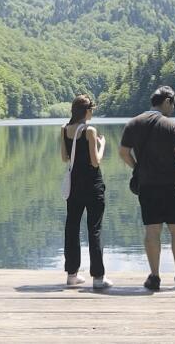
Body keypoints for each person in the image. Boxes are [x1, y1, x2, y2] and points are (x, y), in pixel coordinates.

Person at [119, 86, 175, 291]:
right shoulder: (171, 125)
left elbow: (123, 152)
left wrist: (137, 167)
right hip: (174, 185)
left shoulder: (133, 123)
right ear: (167, 101)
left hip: (147, 185)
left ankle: (155, 277)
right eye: (173, 105)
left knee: (152, 231)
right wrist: (173, 167)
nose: (173, 109)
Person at [61, 94, 112, 289]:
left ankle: (72, 275)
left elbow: (65, 158)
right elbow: (95, 161)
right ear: (87, 111)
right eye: (92, 110)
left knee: (72, 227)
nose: (92, 113)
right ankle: (98, 278)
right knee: (95, 229)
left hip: (74, 185)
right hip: (92, 185)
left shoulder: (64, 130)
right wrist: (102, 146)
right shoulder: (90, 131)